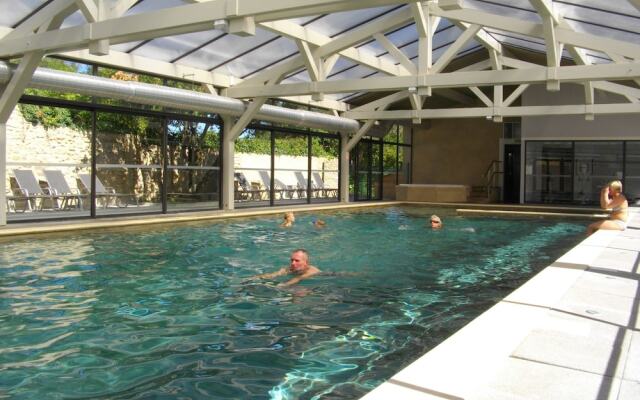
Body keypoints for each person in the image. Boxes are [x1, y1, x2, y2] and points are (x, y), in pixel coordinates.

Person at [246, 248, 320, 287]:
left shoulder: (312, 271)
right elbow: (273, 274)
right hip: (296, 280)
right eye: (292, 260)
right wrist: (254, 278)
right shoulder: (290, 268)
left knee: (300, 292)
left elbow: (298, 278)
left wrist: (282, 285)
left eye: (297, 261)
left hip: (315, 285)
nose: (293, 263)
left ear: (306, 262)